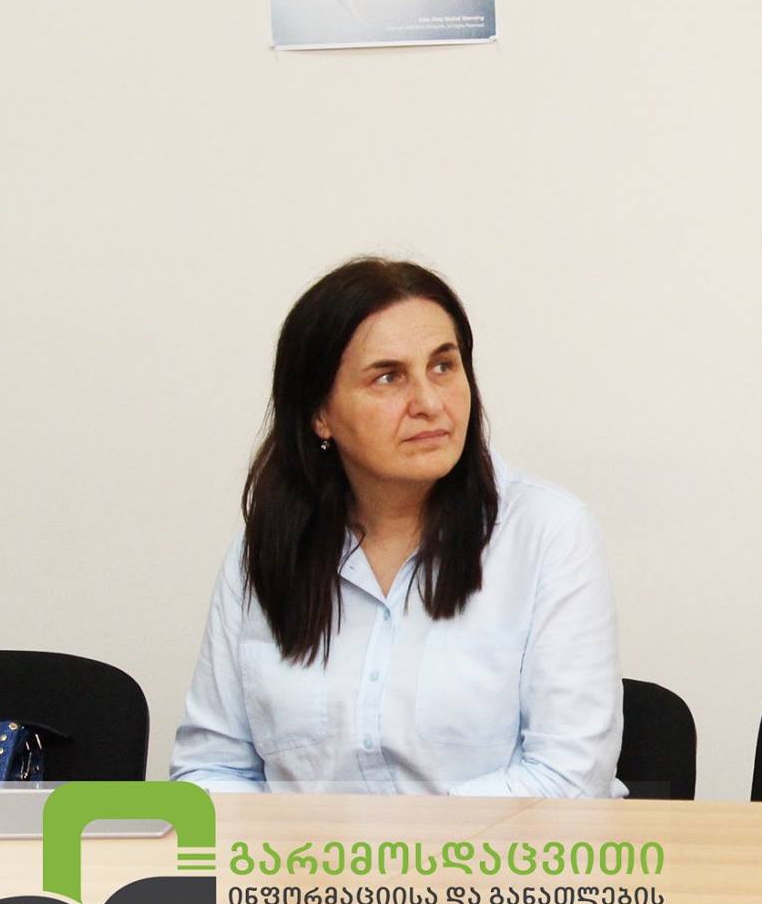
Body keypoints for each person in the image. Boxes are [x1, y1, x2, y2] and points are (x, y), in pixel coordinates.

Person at [171, 258, 624, 795]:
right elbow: (211, 771)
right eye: (388, 377)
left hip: (506, 853)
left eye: (443, 367)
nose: (429, 403)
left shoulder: (548, 534)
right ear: (320, 414)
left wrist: (380, 843)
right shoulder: (265, 550)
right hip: (301, 854)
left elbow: (569, 777)